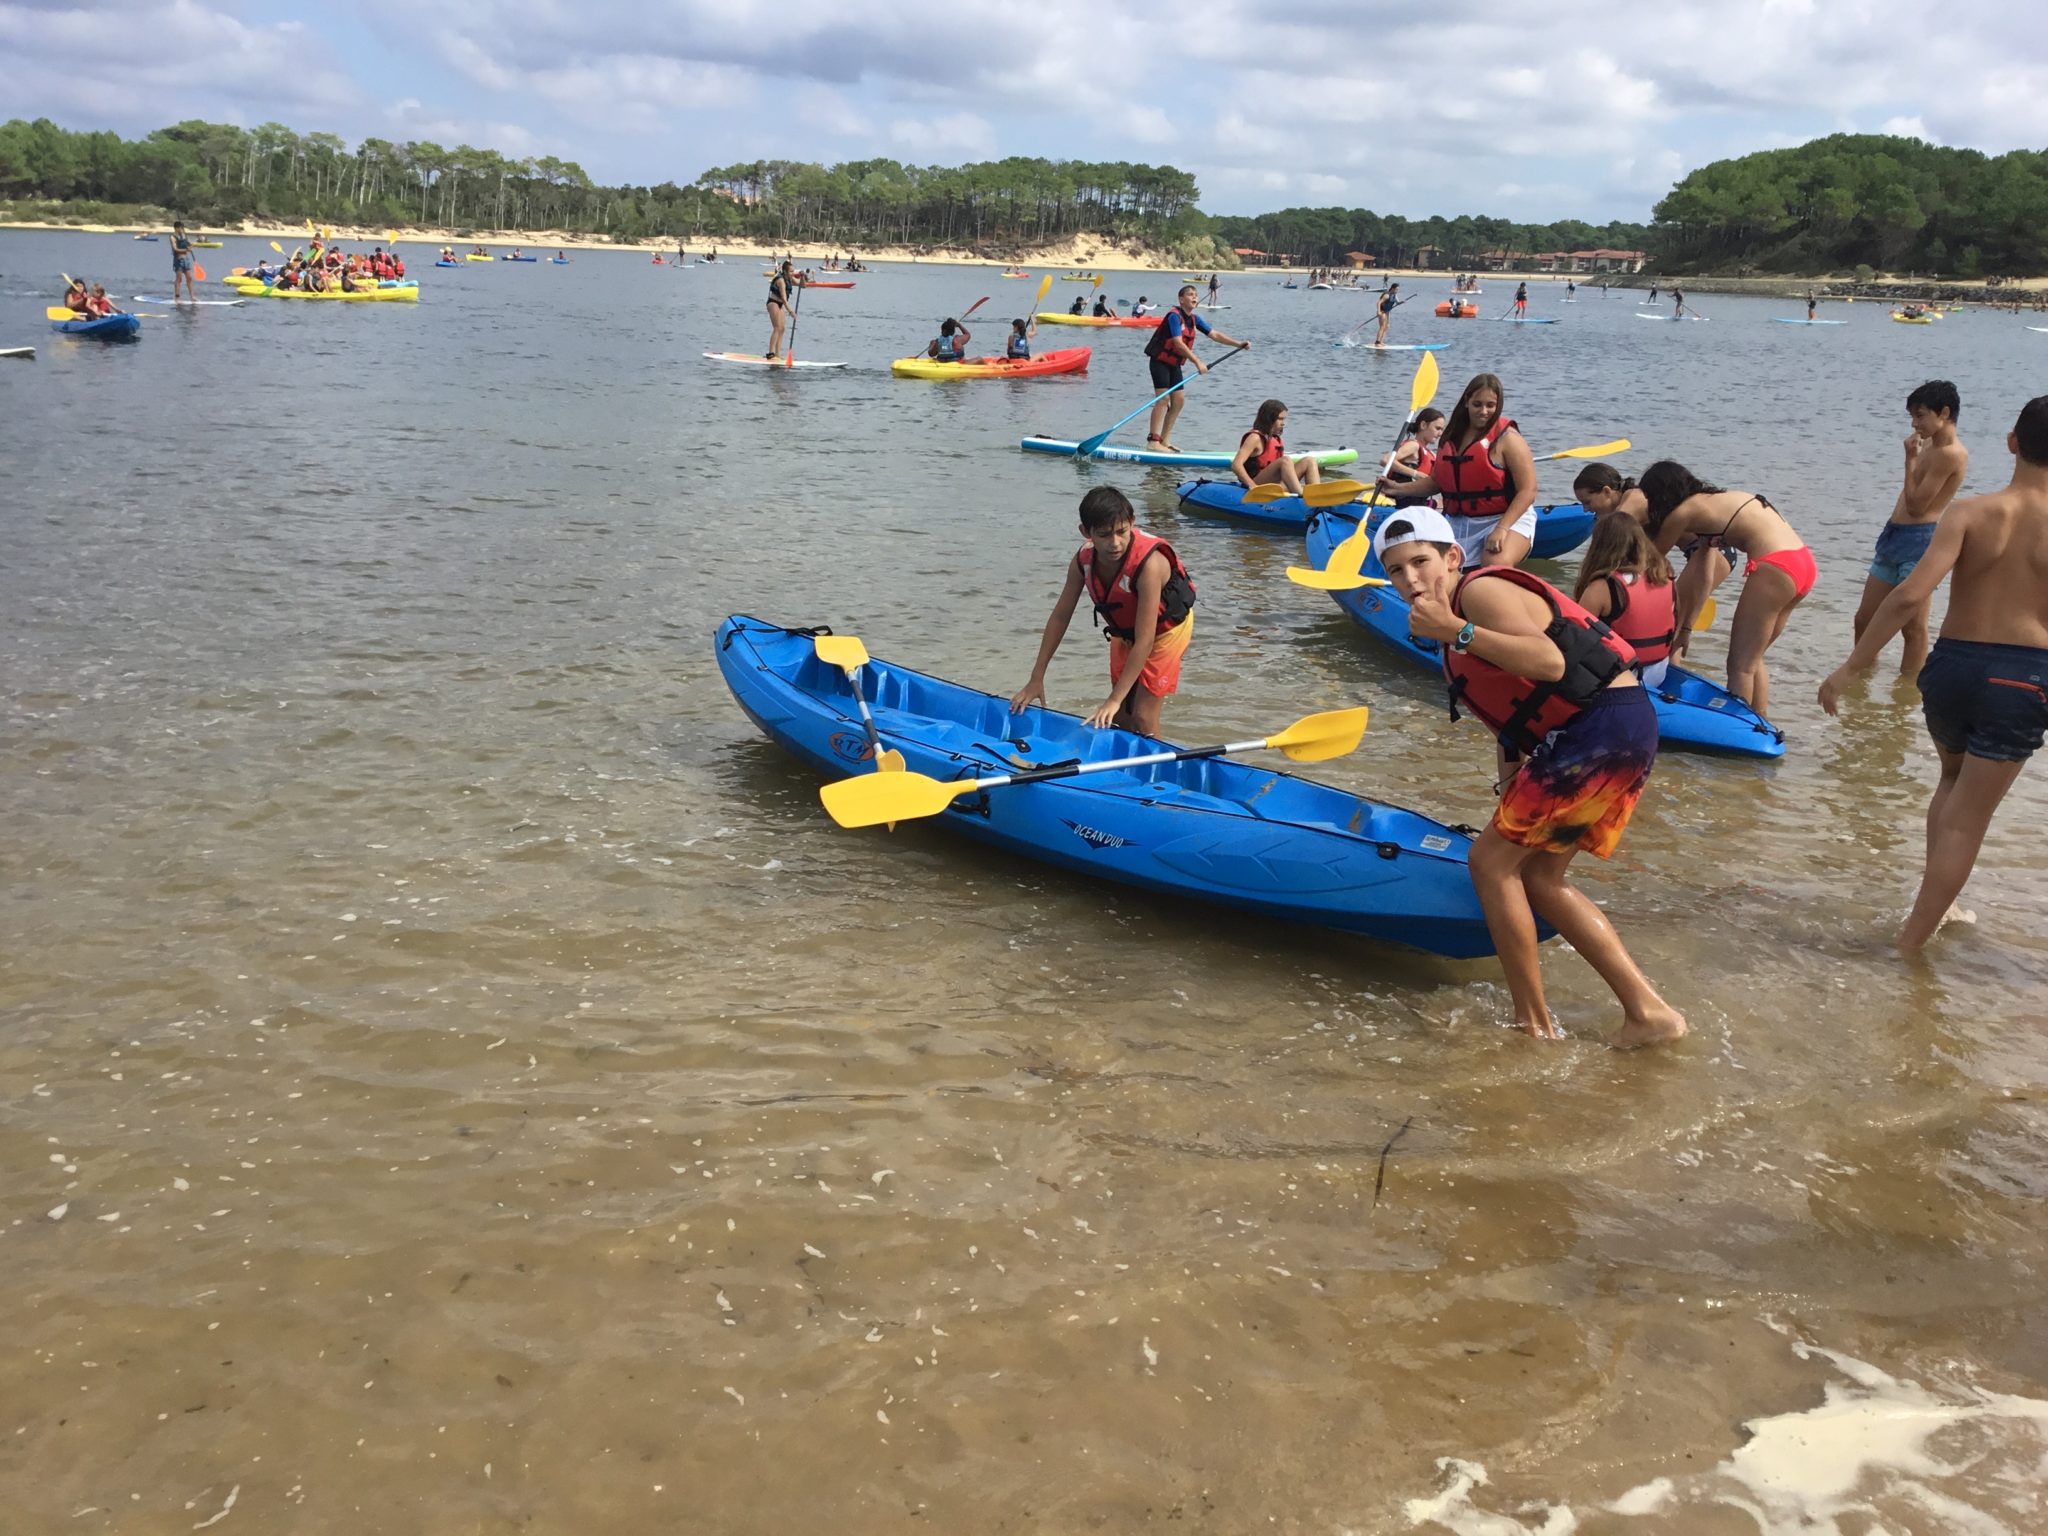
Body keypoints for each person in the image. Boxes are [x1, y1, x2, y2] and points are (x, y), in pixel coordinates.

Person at [1373, 508, 1683, 1047]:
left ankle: (1533, 1025)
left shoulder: (1479, 592)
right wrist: (1510, 789)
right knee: (1539, 878)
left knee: (1490, 864)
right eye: (1396, 570)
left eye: (1421, 561)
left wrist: (1457, 631)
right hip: (1615, 729)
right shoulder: (1454, 625)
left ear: (1453, 557)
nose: (1411, 579)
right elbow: (1514, 724)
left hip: (1602, 727)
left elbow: (1549, 663)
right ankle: (1647, 1012)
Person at [1819, 395, 2048, 954]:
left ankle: (1940, 902)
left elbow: (1907, 597)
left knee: (1951, 780)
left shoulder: (1968, 512)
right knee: (1969, 819)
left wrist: (1852, 666)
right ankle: (1909, 946)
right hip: (2023, 675)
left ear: (2012, 442)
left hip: (1951, 667)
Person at [1010, 486, 1197, 736]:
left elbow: (1145, 640)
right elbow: (1060, 617)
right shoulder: (1083, 562)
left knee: (1142, 716)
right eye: (1104, 535)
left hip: (1165, 631)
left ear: (1132, 522)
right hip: (1125, 632)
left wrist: (1113, 699)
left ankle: (1155, 760)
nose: (1115, 543)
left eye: (1122, 532)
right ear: (1086, 533)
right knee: (1119, 718)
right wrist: (1037, 677)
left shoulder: (1149, 566)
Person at [1641, 460, 1815, 720]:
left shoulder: (1683, 512)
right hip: (1802, 563)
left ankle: (1739, 729)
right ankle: (1761, 723)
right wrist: (1686, 628)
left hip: (1775, 567)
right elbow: (1704, 572)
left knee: (1740, 666)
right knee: (1753, 658)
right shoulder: (1715, 502)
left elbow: (1650, 560)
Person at [1853, 381, 1969, 677]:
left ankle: (1907, 693)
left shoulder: (1951, 454)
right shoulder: (1928, 443)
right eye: (1912, 416)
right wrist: (1914, 459)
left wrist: (1910, 461)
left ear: (1944, 413)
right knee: (1864, 619)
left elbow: (1917, 506)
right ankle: (1859, 685)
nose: (1914, 424)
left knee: (1913, 629)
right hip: (1893, 536)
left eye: (1920, 415)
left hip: (1920, 541)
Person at [1371, 373, 1540, 568]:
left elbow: (1528, 491)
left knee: (1494, 562)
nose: (1484, 411)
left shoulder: (1509, 439)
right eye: (1477, 404)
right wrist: (1396, 488)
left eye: (1490, 405)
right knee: (1435, 569)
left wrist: (1501, 529)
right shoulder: (1451, 437)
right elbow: (1436, 482)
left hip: (1505, 518)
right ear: (1467, 401)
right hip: (1460, 521)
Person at [1575, 514, 1679, 688]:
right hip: (1658, 671)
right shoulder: (1663, 574)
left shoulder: (1603, 586)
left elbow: (1575, 638)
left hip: (1621, 676)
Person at [1142, 285, 1249, 452]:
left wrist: (1238, 343)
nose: (1194, 297)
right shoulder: (1174, 316)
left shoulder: (1194, 319)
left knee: (1179, 401)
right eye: (1190, 294)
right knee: (1163, 400)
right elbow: (1178, 343)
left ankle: (1164, 440)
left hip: (1174, 364)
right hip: (1159, 362)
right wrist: (1198, 362)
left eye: (1196, 295)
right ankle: (1153, 441)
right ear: (1181, 299)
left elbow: (1215, 335)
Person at [1231, 399, 1323, 495]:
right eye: (1280, 419)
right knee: (1285, 461)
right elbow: (1236, 465)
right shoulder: (1255, 438)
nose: (1283, 423)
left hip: (1276, 484)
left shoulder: (1273, 438)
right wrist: (1252, 485)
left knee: (1309, 461)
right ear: (1269, 419)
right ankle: (1301, 494)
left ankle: (1316, 495)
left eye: (1284, 419)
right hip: (1258, 484)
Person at [1383, 407, 1446, 504]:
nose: (1440, 434)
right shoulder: (1414, 445)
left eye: (1442, 430)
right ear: (1423, 425)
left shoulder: (1431, 454)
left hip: (1418, 502)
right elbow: (1386, 460)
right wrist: (1415, 474)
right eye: (1437, 428)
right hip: (1402, 502)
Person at [766, 260, 795, 358]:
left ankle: (778, 354)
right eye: (791, 271)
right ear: (785, 271)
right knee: (777, 328)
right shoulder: (781, 281)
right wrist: (791, 311)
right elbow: (784, 299)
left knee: (782, 329)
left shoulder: (790, 278)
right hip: (773, 303)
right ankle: (771, 352)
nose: (793, 273)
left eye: (793, 271)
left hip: (781, 305)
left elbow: (802, 284)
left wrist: (803, 277)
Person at [170, 221, 197, 302]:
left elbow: (191, 244)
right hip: (178, 260)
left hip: (186, 260)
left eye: (182, 228)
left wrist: (190, 246)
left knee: (189, 278)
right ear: (176, 228)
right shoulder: (173, 237)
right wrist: (186, 250)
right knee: (179, 279)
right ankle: (177, 297)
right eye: (180, 228)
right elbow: (175, 249)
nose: (182, 230)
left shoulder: (185, 236)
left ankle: (192, 297)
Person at [1373, 282, 1402, 346]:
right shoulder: (1387, 295)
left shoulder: (1395, 295)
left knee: (1387, 326)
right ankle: (1377, 342)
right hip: (1382, 311)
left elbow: (1397, 303)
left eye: (1398, 289)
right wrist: (1378, 312)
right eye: (1396, 289)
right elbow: (1378, 303)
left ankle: (1381, 341)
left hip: (1387, 312)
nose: (1397, 290)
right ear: (1393, 288)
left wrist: (1401, 302)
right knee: (1382, 326)